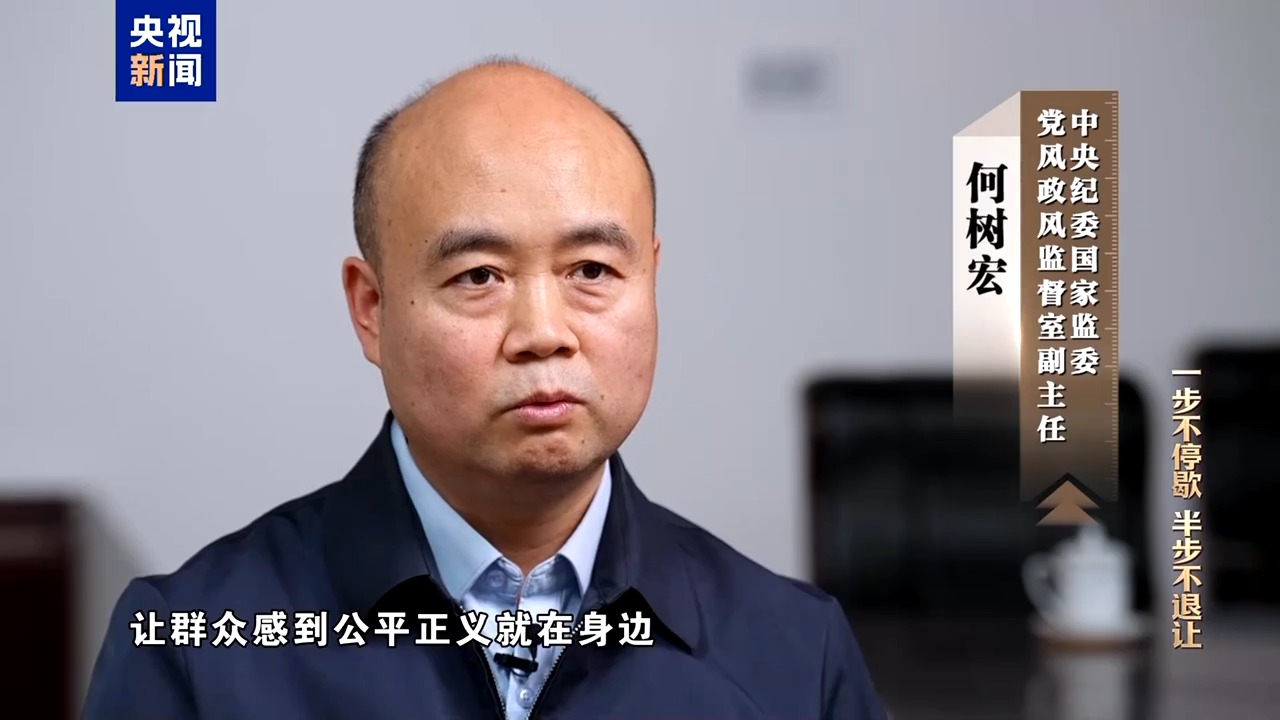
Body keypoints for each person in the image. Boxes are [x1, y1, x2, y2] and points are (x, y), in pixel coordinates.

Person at [83, 58, 888, 720]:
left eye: (592, 270)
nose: (544, 331)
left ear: (651, 279)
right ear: (371, 309)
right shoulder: (194, 652)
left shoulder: (796, 653)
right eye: (479, 276)